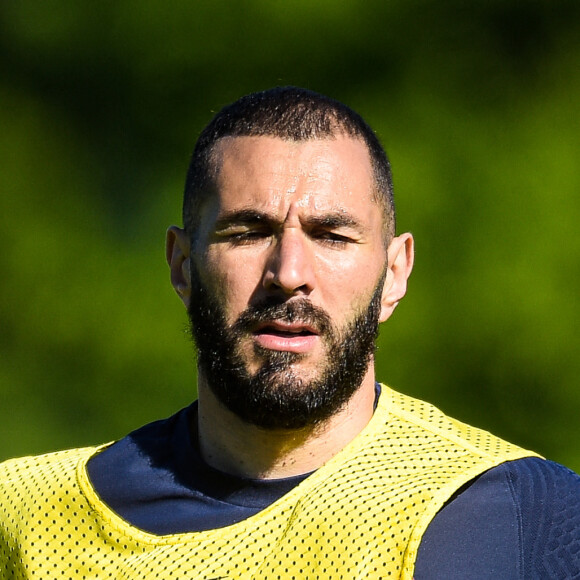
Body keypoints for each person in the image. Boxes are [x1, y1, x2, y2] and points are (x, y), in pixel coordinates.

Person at [1, 87, 579, 580]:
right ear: (182, 264)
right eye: (248, 232)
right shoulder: (24, 514)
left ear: (395, 271)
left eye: (332, 235)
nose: (290, 275)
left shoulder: (526, 515)